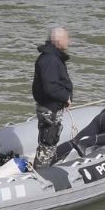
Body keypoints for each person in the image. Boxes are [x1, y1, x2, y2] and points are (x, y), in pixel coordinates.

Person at [32, 27, 73, 169]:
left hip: (52, 106)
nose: (69, 41)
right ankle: (41, 172)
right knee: (48, 141)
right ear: (59, 40)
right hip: (50, 108)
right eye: (67, 38)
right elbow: (50, 87)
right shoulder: (50, 59)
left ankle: (43, 168)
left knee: (49, 141)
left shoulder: (52, 57)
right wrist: (66, 97)